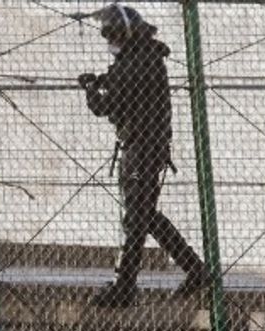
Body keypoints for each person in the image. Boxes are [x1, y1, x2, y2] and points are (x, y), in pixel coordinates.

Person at [77, 4, 208, 308]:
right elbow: (125, 86)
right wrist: (103, 81)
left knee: (136, 216)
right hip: (152, 147)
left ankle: (126, 286)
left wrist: (88, 88)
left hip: (140, 149)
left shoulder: (132, 64)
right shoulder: (146, 57)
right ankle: (190, 268)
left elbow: (105, 108)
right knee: (143, 215)